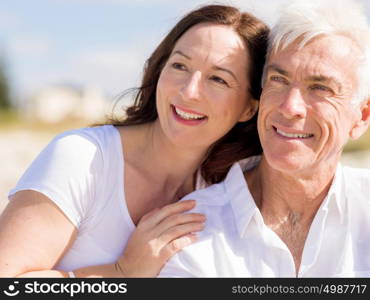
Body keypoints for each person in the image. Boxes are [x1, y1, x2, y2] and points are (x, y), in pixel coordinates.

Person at [0, 5, 269, 277]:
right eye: (179, 65)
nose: (189, 91)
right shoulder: (84, 158)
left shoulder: (226, 190)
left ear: (250, 108)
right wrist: (123, 272)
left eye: (218, 79)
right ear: (159, 70)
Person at [159, 0, 370, 277]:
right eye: (278, 80)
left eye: (320, 88)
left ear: (361, 118)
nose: (289, 107)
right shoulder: (192, 230)